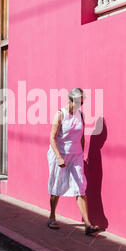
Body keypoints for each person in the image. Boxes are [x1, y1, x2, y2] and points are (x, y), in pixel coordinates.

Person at [47, 88, 102, 235]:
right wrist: (58, 157)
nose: (80, 106)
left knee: (80, 187)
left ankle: (88, 225)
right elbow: (52, 138)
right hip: (60, 154)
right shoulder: (60, 115)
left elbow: (82, 136)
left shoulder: (81, 115)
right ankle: (52, 216)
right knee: (56, 185)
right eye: (78, 102)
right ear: (70, 100)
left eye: (82, 103)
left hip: (76, 156)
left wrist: (82, 155)